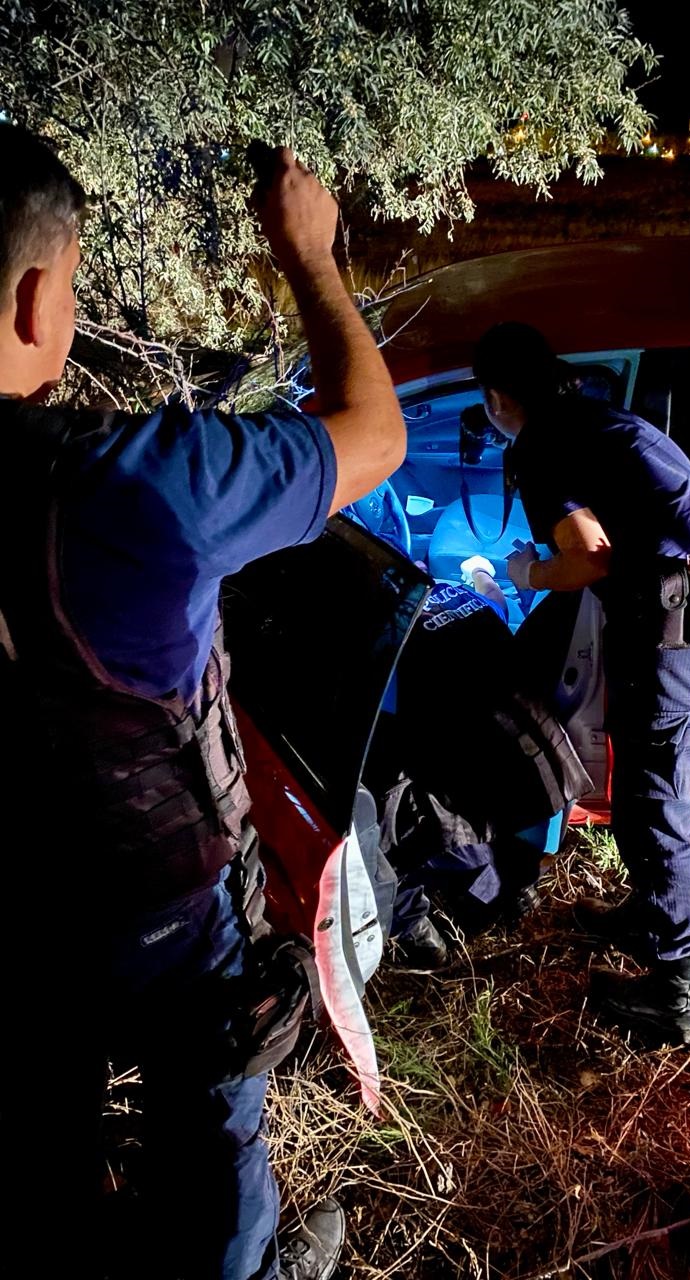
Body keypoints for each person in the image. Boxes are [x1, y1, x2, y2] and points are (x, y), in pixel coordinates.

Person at [0, 127, 405, 1279]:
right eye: (71, 286)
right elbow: (374, 435)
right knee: (213, 1126)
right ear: (39, 298)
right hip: (162, 904)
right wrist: (313, 258)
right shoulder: (132, 483)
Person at [472, 322, 690, 1050]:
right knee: (677, 792)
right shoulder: (602, 416)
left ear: (496, 396)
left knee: (656, 805)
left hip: (681, 634)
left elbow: (590, 558)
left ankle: (677, 996)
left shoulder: (542, 440)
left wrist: (524, 574)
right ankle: (653, 913)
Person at [363, 555, 589, 969]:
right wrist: (479, 569)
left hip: (459, 785)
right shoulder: (458, 596)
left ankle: (426, 935)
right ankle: (516, 888)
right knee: (504, 836)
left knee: (387, 827)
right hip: (531, 764)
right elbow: (494, 596)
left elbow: (382, 722)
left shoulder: (379, 636)